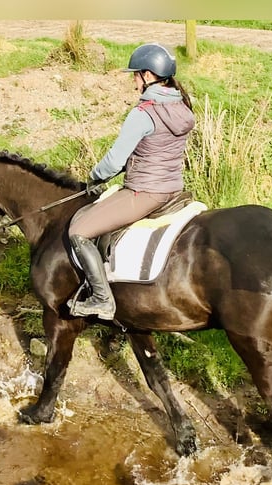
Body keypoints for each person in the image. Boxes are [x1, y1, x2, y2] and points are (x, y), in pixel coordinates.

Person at [68, 42, 195, 321]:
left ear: (148, 76)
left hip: (145, 191)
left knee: (78, 231)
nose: (133, 81)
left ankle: (103, 300)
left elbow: (114, 160)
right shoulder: (182, 106)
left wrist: (95, 176)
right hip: (173, 187)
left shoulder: (143, 113)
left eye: (135, 75)